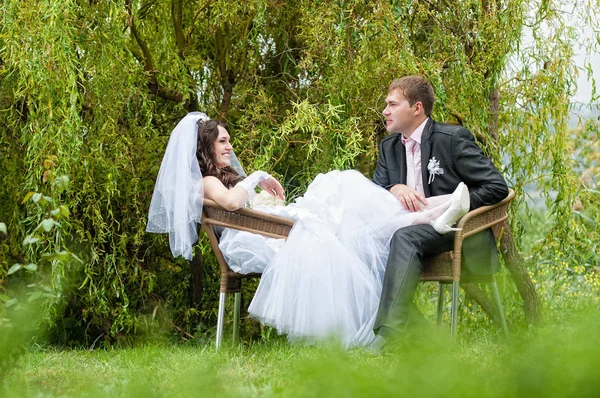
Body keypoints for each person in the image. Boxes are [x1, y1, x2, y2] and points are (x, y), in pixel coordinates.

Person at [146, 111, 470, 347]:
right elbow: (231, 204)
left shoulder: (224, 176)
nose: (230, 146)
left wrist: (268, 200)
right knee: (342, 201)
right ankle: (430, 213)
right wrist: (257, 177)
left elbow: (243, 203)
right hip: (253, 241)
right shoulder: (208, 180)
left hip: (270, 230)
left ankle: (430, 212)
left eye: (229, 140)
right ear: (206, 146)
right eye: (223, 141)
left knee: (348, 202)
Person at [370, 76, 509, 351]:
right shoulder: (389, 148)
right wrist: (394, 187)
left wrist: (450, 206)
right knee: (362, 245)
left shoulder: (452, 139)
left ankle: (387, 336)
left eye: (392, 104)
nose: (385, 111)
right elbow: (376, 194)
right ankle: (422, 338)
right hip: (407, 226)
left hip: (455, 229)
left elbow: (497, 187)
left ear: (417, 108)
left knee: (404, 238)